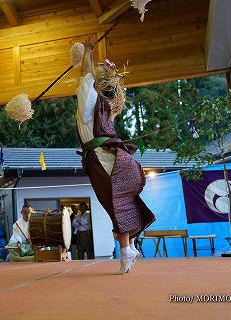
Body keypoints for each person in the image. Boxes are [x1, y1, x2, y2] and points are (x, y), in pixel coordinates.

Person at [76, 35, 155, 274]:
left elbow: (85, 77)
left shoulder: (90, 104)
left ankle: (126, 251)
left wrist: (88, 52)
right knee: (121, 203)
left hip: (107, 161)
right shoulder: (106, 109)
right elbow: (87, 78)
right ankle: (129, 247)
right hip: (119, 161)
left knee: (116, 204)